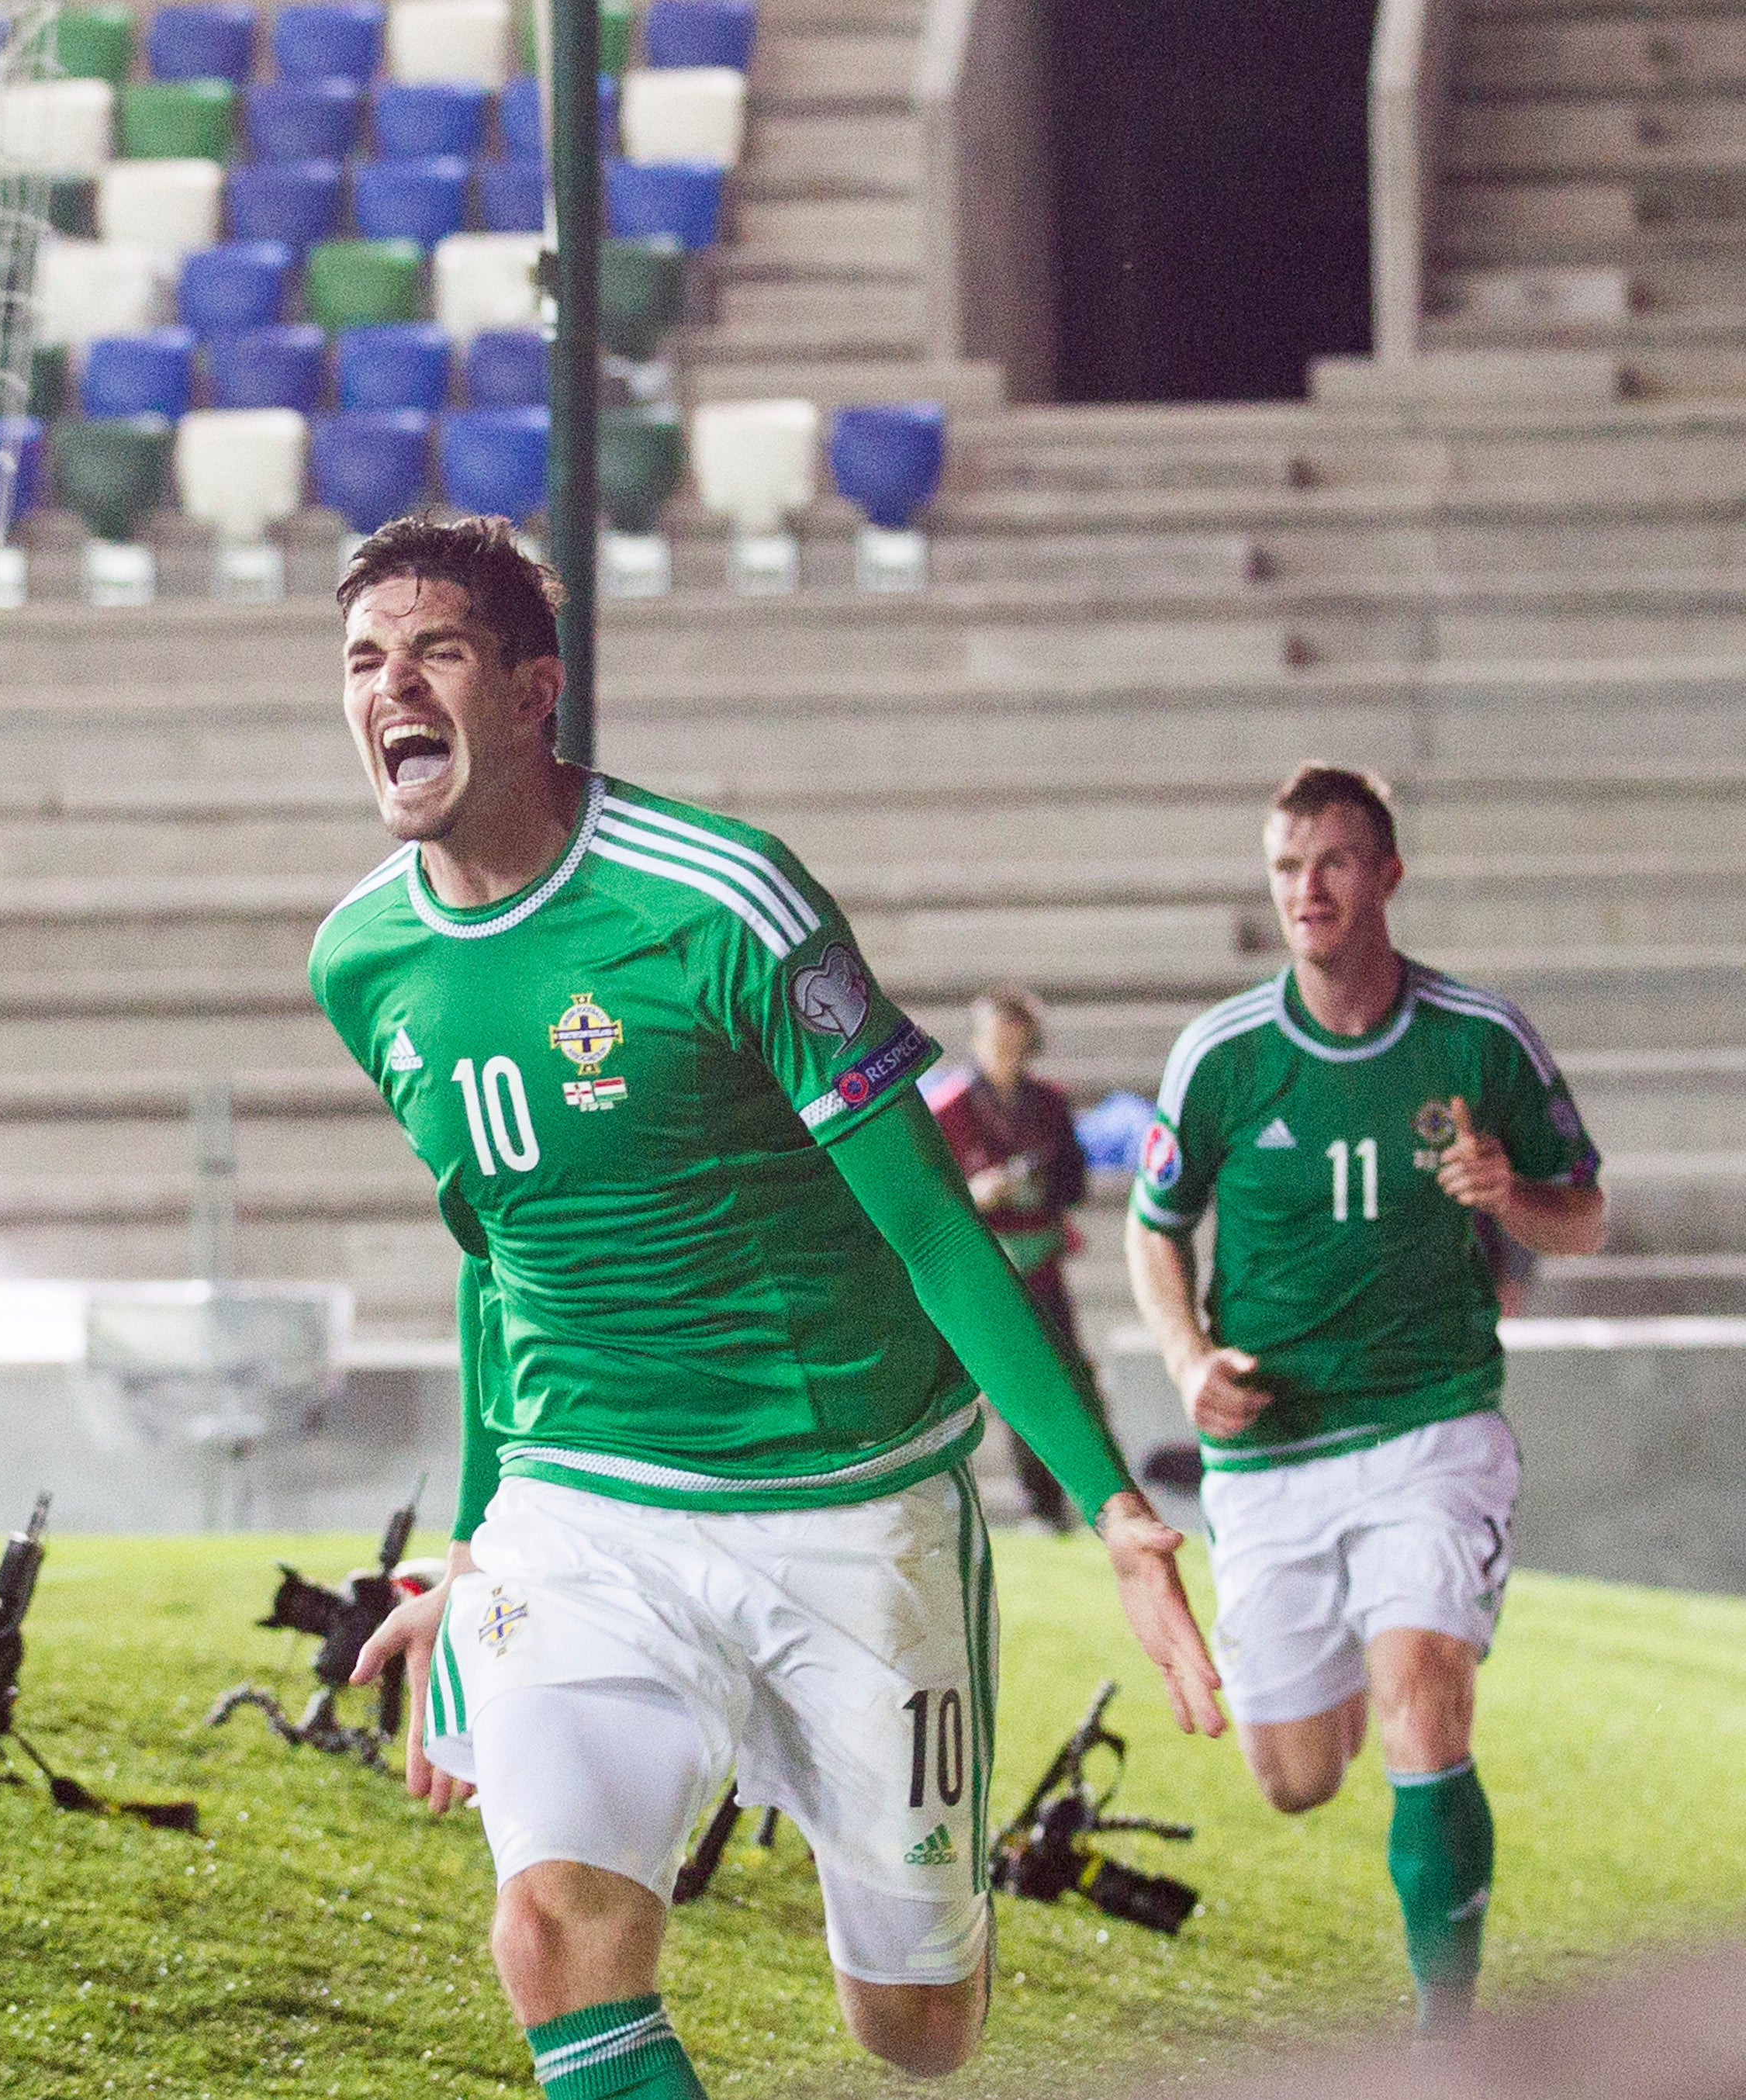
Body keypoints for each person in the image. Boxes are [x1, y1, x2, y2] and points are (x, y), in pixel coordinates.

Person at [315, 516, 1223, 2094]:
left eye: (435, 650)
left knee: (914, 2028)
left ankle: (909, 1888)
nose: (391, 684)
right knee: (549, 1935)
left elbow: (939, 1228)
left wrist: (1112, 1505)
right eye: (363, 660)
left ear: (532, 691)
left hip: (847, 1501)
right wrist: (471, 1536)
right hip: (584, 1504)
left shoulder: (717, 898)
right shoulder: (361, 961)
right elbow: (495, 1254)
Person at [1125, 763, 1607, 2036]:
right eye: (1287, 866)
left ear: (1387, 874)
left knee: (1425, 1689)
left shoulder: (1477, 1040)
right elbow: (1152, 1230)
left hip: (1430, 1421)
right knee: (1293, 1779)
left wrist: (1513, 1195)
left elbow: (1588, 1214)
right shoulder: (1221, 1055)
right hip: (1273, 1447)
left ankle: (1450, 2032)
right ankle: (1350, 1660)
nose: (1308, 889)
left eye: (1334, 862)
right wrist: (1185, 1362)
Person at [926, 987, 1121, 1528]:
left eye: (1017, 1040)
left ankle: (1085, 1501)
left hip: (1039, 1260)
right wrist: (978, 1192)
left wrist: (1033, 1185)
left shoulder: (1050, 1104)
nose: (1007, 1051)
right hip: (981, 1265)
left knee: (1068, 1378)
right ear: (978, 1040)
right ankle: (1031, 1505)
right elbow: (930, 1196)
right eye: (997, 1039)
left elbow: (1073, 1184)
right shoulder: (950, 1108)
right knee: (1001, 1383)